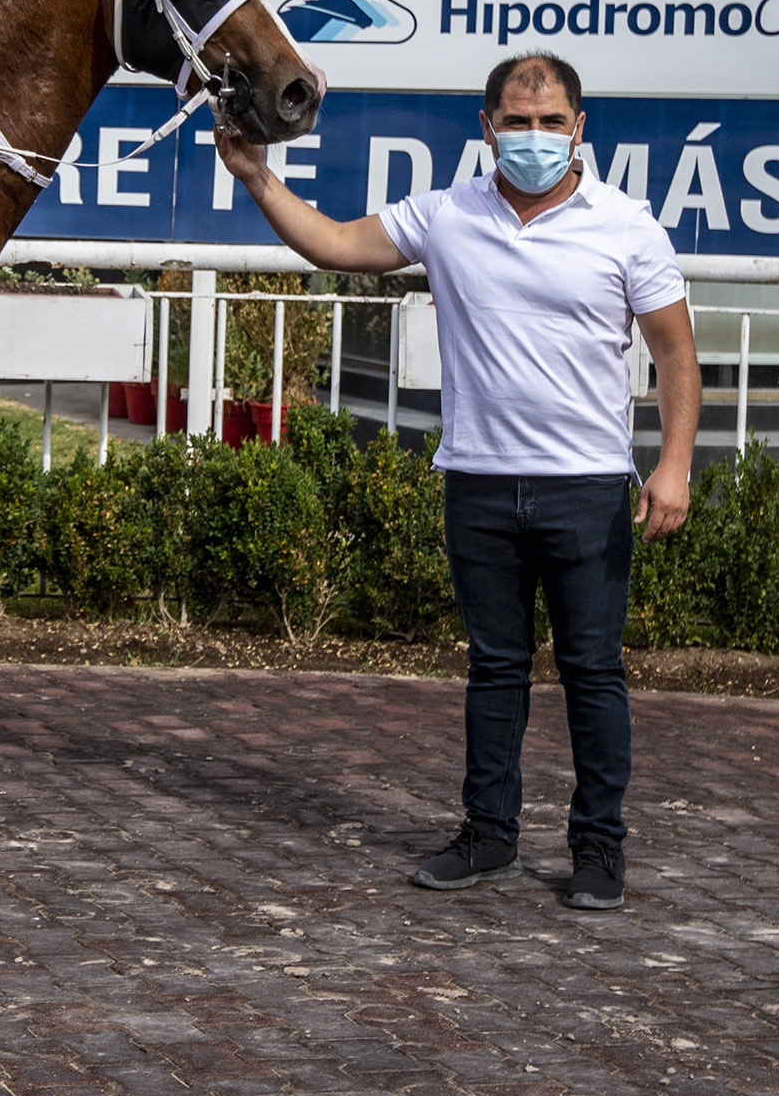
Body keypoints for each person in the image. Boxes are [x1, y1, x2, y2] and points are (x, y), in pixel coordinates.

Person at [217, 51, 697, 911]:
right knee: (494, 670)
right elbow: (333, 243)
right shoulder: (445, 215)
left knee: (593, 672)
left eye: (551, 123)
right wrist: (256, 176)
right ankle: (488, 836)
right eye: (517, 122)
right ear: (488, 128)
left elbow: (676, 355)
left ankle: (599, 849)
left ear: (580, 129)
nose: (534, 137)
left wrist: (674, 464)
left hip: (587, 488)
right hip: (478, 482)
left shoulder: (628, 227)